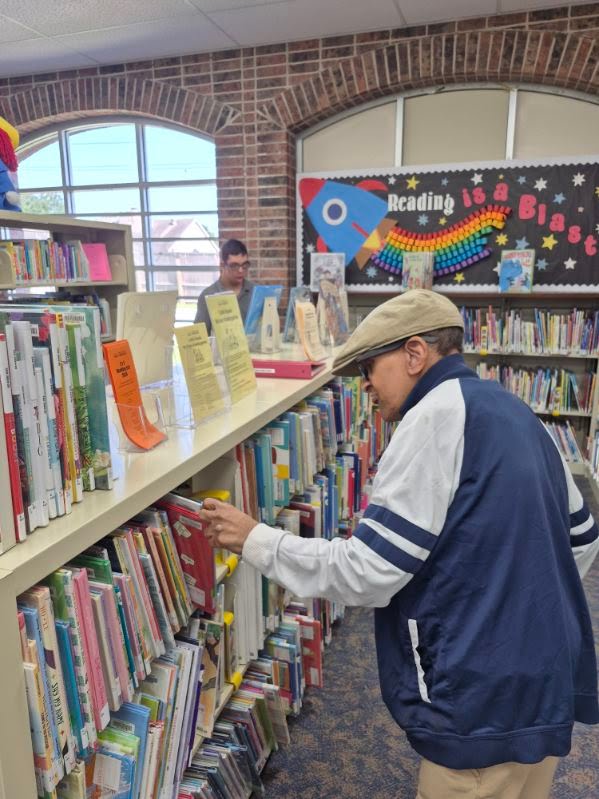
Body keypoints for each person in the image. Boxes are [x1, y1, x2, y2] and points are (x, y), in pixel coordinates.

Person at [197, 289, 599, 799]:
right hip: (545, 683)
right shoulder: (518, 412)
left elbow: (368, 570)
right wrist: (513, 603)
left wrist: (255, 538)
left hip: (479, 703)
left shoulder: (432, 419)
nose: (365, 384)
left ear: (414, 354)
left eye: (370, 367)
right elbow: (582, 539)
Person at [194, 239, 256, 334]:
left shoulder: (255, 292)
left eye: (244, 265)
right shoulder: (208, 295)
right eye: (234, 266)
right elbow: (200, 336)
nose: (240, 270)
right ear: (222, 265)